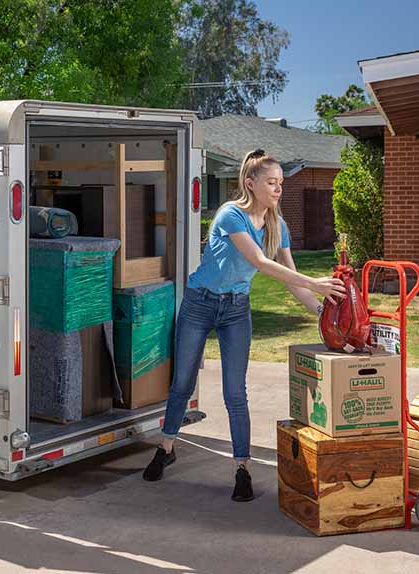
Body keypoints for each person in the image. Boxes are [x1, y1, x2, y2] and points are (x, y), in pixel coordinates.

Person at [142, 149, 346, 501]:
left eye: (281, 182)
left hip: (236, 309)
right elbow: (259, 261)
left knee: (235, 393)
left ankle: (243, 468)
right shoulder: (230, 215)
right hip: (199, 303)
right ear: (250, 183)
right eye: (271, 182)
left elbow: (291, 279)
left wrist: (321, 313)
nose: (278, 188)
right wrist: (317, 282)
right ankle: (166, 446)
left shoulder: (277, 225)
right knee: (182, 383)